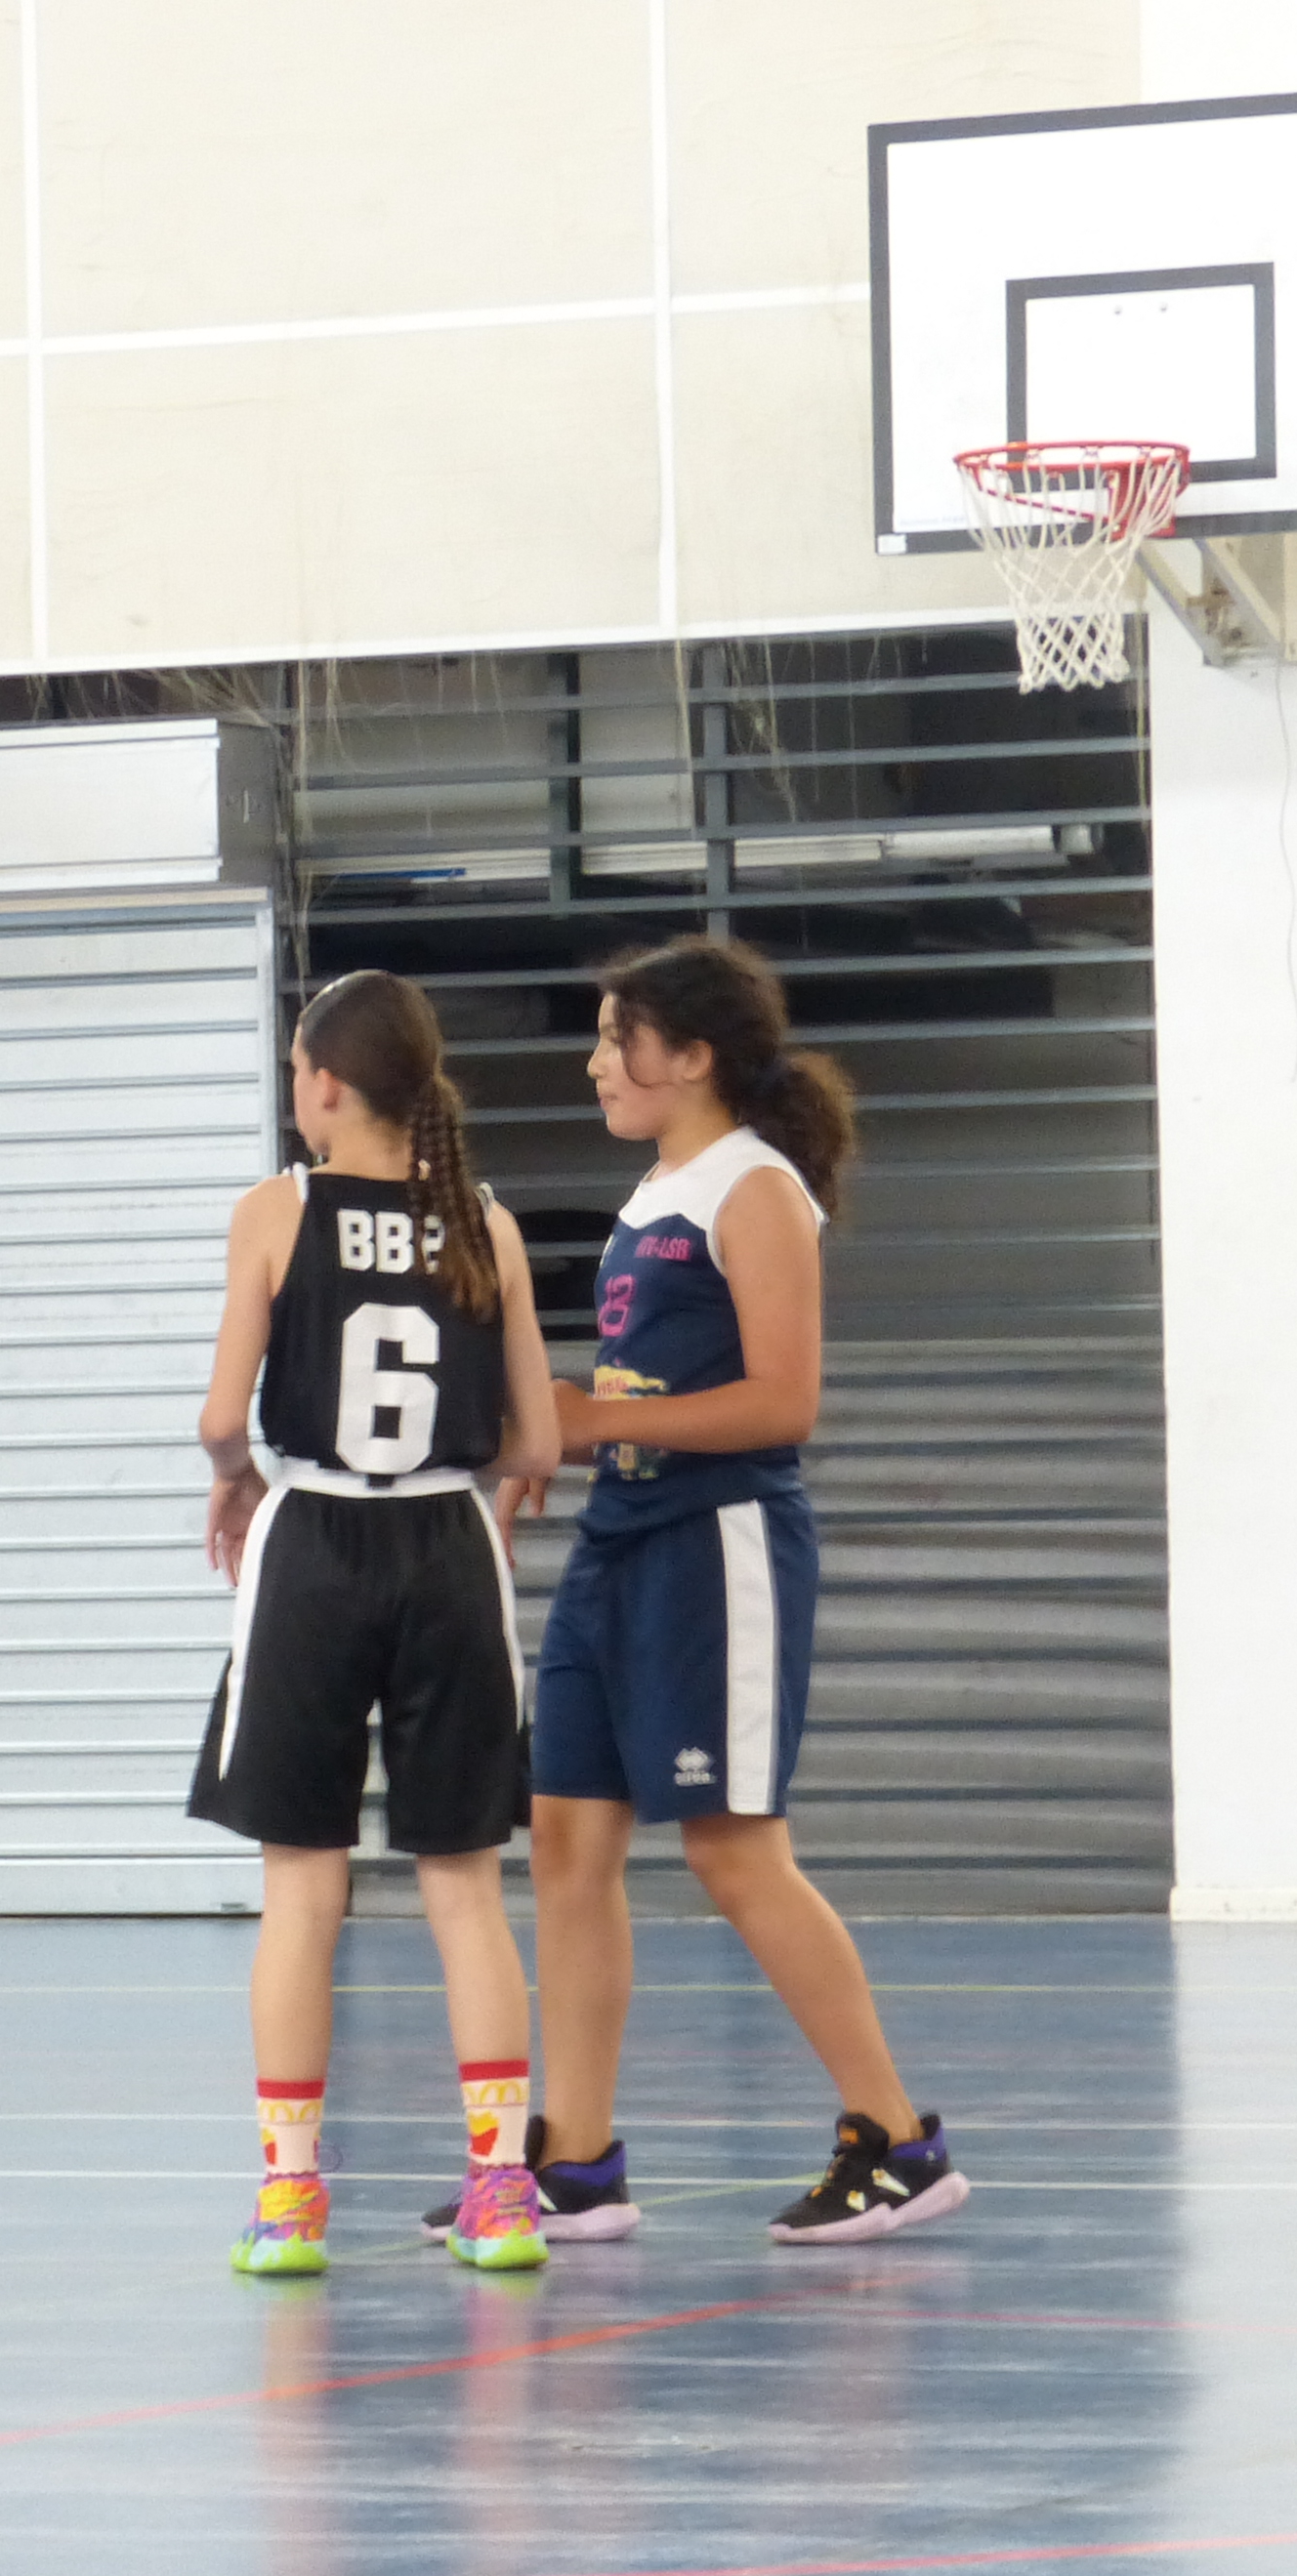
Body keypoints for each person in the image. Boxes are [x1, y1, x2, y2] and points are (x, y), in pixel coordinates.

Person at [476, 935, 966, 2246]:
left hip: (719, 1543)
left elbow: (782, 1402)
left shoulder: (755, 1186)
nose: (593, 1064)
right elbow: (645, 1385)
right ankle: (577, 2159)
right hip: (621, 1542)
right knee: (566, 1842)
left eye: (615, 1039)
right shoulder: (657, 1192)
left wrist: (590, 1417)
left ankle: (896, 2138)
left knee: (733, 1849)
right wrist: (562, 1439)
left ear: (691, 1055)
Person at [189, 972, 560, 2277]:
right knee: (465, 1888)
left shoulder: (275, 1212)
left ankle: (291, 2199)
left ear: (326, 1085)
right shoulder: (485, 1221)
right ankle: (500, 2193)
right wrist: (461, 1480)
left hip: (314, 1545)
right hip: (447, 1548)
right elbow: (537, 1441)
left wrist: (237, 1476)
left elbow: (221, 1417)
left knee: (303, 1890)